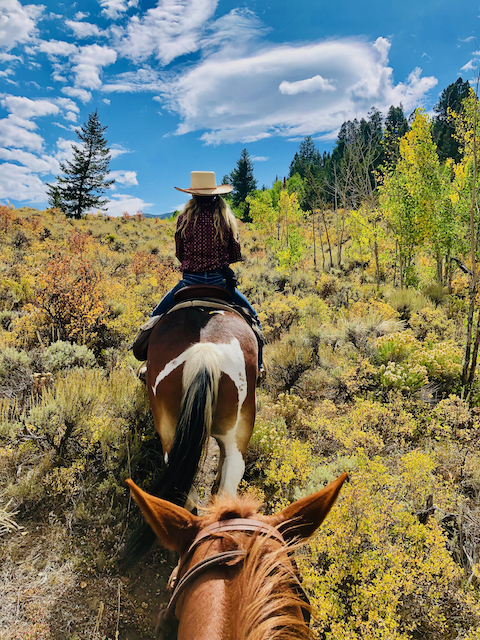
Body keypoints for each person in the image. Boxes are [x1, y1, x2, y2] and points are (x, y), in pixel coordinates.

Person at [137, 171, 264, 372]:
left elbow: (179, 252)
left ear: (193, 195)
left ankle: (148, 365)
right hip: (219, 283)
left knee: (156, 316)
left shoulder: (184, 219)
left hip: (189, 283)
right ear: (215, 195)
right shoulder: (225, 218)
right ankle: (258, 367)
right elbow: (235, 253)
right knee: (254, 318)